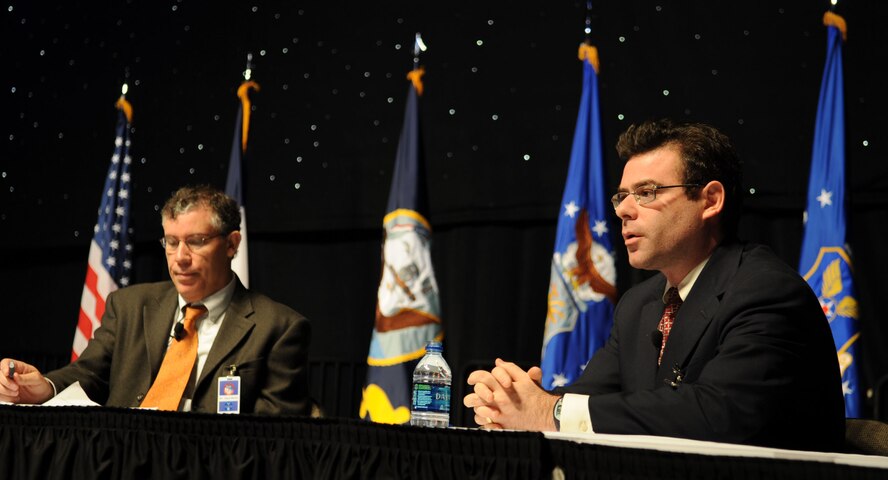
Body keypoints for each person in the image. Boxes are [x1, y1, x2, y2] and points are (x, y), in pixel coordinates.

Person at [463, 119, 845, 452]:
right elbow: (587, 401)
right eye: (621, 197)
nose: (624, 211)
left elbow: (718, 415)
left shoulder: (765, 291)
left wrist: (551, 411)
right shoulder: (639, 305)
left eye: (647, 193)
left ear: (710, 200)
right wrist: (518, 402)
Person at [0, 185, 312, 415]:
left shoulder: (279, 327)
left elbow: (272, 436)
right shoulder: (129, 306)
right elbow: (89, 374)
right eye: (171, 242)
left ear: (231, 245)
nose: (180, 258)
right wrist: (44, 387)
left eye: (196, 242)